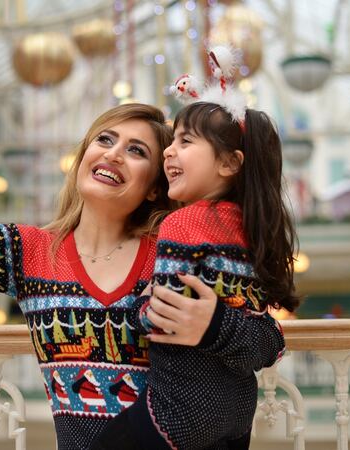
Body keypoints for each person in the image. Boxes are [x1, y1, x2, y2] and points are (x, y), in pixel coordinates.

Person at [0, 25, 286, 450]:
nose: (113, 153)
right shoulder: (30, 252)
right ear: (84, 156)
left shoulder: (175, 250)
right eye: (104, 139)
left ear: (155, 183)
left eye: (136, 150)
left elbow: (268, 340)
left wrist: (215, 326)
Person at [90, 48, 299, 450]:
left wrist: (139, 306)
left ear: (229, 163)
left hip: (180, 410)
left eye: (185, 142)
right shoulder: (253, 229)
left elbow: (161, 320)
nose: (169, 151)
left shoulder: (184, 222)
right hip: (238, 413)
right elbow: (262, 327)